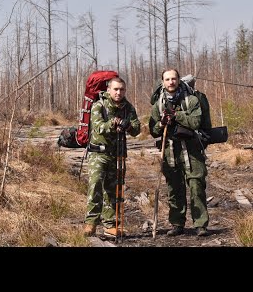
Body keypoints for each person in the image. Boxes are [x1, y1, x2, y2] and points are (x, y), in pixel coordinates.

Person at [149, 69, 209, 237]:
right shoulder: (158, 104)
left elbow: (196, 121)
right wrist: (161, 124)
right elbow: (153, 130)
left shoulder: (191, 100)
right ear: (163, 82)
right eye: (167, 79)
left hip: (192, 151)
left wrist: (176, 115)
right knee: (174, 189)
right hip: (169, 151)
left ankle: (201, 224)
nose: (171, 82)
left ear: (178, 80)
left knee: (196, 186)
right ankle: (177, 224)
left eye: (173, 78)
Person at [83, 77, 141, 238]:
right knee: (95, 185)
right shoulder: (99, 105)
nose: (118, 92)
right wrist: (112, 124)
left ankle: (110, 224)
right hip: (98, 153)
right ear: (108, 90)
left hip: (117, 154)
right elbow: (98, 127)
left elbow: (137, 129)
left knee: (114, 189)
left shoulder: (128, 108)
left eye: (122, 89)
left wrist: (127, 125)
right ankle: (91, 222)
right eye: (115, 89)